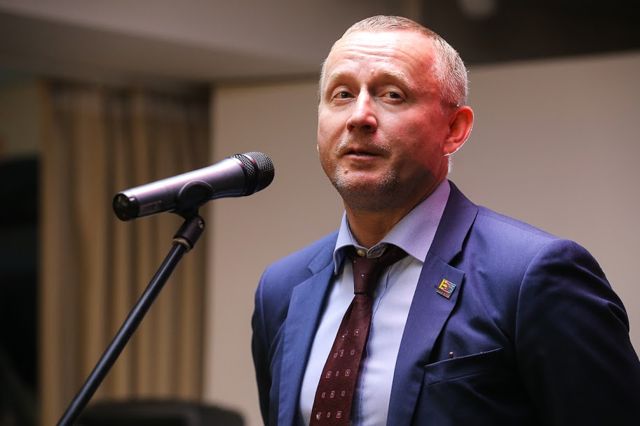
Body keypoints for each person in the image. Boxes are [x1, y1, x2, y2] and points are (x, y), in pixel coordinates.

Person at [251, 15, 640, 426]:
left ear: (454, 129)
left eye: (392, 95)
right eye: (342, 94)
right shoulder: (282, 289)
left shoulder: (532, 277)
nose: (359, 116)